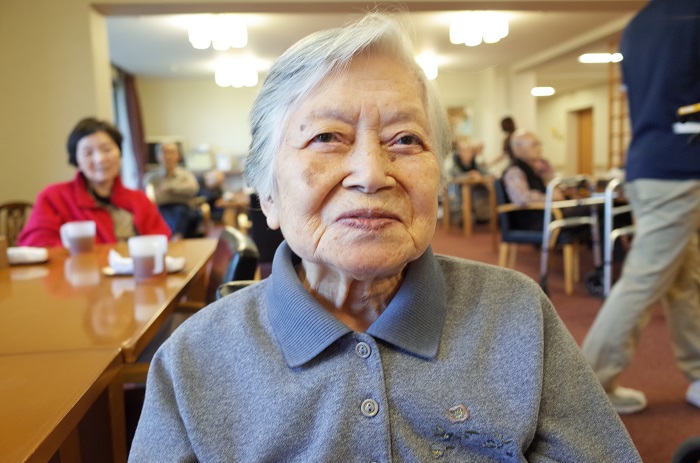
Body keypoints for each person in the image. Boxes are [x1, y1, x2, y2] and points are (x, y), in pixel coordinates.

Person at [129, 14, 640, 462]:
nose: (372, 174)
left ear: (438, 181)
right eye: (326, 137)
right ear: (268, 194)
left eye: (406, 139)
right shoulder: (193, 359)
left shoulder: (519, 314)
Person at [582, 0, 700, 414]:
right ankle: (588, 385)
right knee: (644, 279)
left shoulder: (637, 25)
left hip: (648, 163)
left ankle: (698, 371)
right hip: (679, 164)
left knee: (684, 275)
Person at [18, 118, 170, 247]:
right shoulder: (53, 197)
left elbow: (162, 242)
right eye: (88, 153)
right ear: (76, 160)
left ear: (119, 153)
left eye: (107, 150)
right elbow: (35, 244)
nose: (100, 159)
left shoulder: (140, 199)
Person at [143, 142, 201, 239]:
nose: (168, 156)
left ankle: (176, 238)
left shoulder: (186, 174)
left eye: (172, 152)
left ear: (178, 156)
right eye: (165, 152)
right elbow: (152, 197)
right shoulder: (151, 177)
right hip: (161, 209)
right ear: (158, 156)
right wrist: (180, 192)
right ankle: (173, 238)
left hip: (184, 208)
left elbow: (193, 189)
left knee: (182, 212)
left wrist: (170, 188)